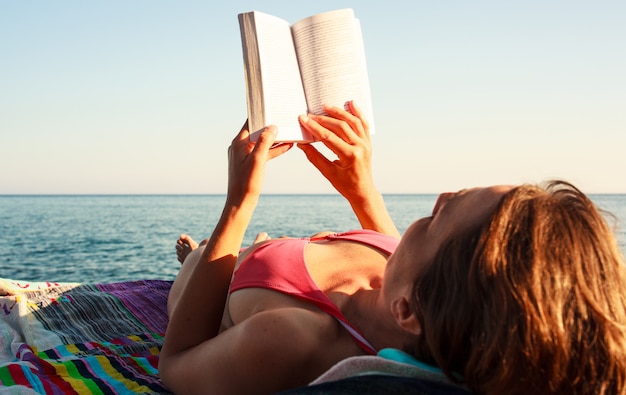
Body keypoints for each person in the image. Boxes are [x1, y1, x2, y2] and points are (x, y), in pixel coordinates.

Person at [158, 102, 626, 395]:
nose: (439, 197)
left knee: (202, 258)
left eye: (434, 219)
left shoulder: (292, 338)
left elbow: (177, 364)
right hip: (295, 267)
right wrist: (362, 191)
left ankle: (200, 256)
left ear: (407, 309)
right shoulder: (420, 291)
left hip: (223, 284)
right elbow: (394, 251)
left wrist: (238, 204)